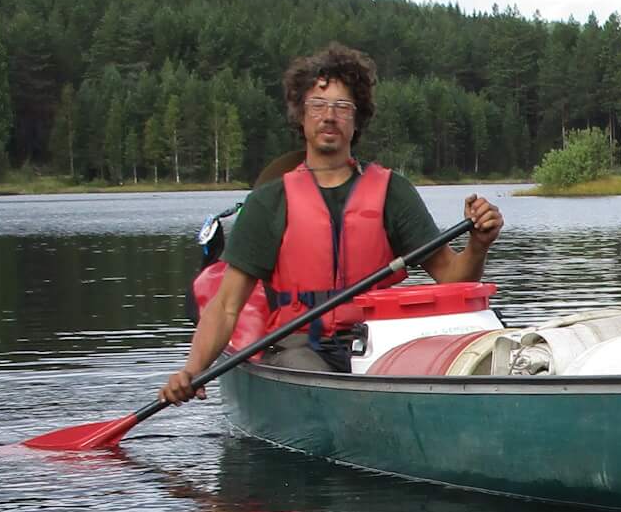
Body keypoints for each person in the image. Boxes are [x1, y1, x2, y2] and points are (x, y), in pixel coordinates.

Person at [162, 42, 502, 401]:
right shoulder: (269, 202)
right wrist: (193, 370)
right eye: (318, 105)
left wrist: (479, 244)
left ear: (357, 120)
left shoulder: (392, 192)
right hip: (297, 344)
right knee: (323, 380)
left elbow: (454, 278)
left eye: (342, 107)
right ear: (301, 116)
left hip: (377, 341)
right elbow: (227, 305)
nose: (329, 116)